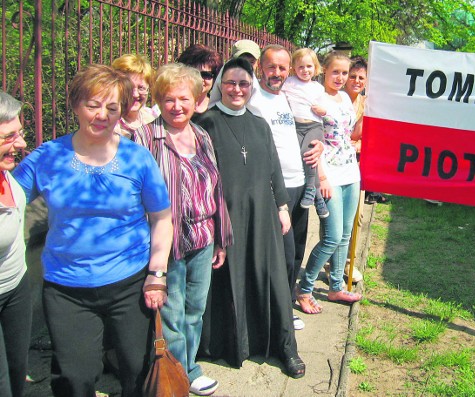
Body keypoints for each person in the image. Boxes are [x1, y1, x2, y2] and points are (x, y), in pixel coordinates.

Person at [13, 64, 173, 397]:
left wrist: (157, 273)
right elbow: (9, 197)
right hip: (66, 289)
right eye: (93, 105)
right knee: (75, 377)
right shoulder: (48, 157)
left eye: (112, 108)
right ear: (75, 105)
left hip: (130, 284)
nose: (102, 115)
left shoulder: (137, 159)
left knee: (136, 369)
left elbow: (161, 218)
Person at [196, 57, 305, 378]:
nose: (237, 89)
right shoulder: (206, 123)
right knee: (230, 280)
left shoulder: (259, 123)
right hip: (225, 217)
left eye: (244, 84)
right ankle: (234, 345)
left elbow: (274, 168)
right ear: (220, 86)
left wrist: (283, 206)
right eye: (230, 83)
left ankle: (286, 348)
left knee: (272, 280)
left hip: (262, 216)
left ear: (251, 87)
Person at [133, 63, 233, 396]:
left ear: (196, 99)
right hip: (168, 242)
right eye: (169, 99)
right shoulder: (146, 136)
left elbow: (216, 189)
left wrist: (221, 239)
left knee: (196, 309)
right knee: (173, 313)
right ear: (159, 102)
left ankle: (188, 366)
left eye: (184, 99)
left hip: (203, 238)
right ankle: (178, 374)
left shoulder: (201, 135)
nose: (177, 106)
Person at [245, 44, 323, 332]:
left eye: (282, 67)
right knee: (281, 253)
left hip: (299, 182)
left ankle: (286, 301)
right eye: (271, 66)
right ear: (259, 69)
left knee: (297, 251)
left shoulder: (289, 97)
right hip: (273, 188)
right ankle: (273, 312)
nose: (276, 73)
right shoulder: (253, 97)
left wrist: (320, 143)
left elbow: (314, 123)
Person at [296, 52, 363, 314]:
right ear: (324, 70)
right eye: (336, 72)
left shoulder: (345, 97)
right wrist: (320, 177)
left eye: (344, 73)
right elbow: (311, 139)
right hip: (329, 176)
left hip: (350, 172)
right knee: (331, 237)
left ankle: (336, 286)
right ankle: (305, 288)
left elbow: (349, 134)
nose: (341, 78)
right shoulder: (315, 97)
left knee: (345, 235)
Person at [0, 91, 31, 397]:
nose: (21, 145)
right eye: (9, 137)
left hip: (17, 288)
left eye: (19, 133)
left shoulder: (6, 173)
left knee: (16, 373)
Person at [282, 48, 330, 219]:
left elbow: (326, 110)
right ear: (294, 68)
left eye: (309, 66)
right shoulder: (288, 83)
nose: (305, 70)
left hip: (313, 126)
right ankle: (318, 199)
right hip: (295, 126)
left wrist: (322, 110)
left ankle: (310, 187)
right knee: (298, 157)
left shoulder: (317, 87)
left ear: (315, 68)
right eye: (301, 66)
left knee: (308, 153)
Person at [344, 56, 389, 205]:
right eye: (352, 76)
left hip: (358, 158)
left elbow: (373, 137)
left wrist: (359, 145)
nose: (357, 81)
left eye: (361, 77)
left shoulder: (366, 103)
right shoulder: (335, 99)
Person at [111, 54, 159, 138]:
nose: (135, 94)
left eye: (141, 88)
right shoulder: (109, 123)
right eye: (129, 87)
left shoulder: (153, 119)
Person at [176, 44, 223, 114]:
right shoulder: (171, 107)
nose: (200, 79)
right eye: (194, 73)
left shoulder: (219, 110)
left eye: (206, 75)